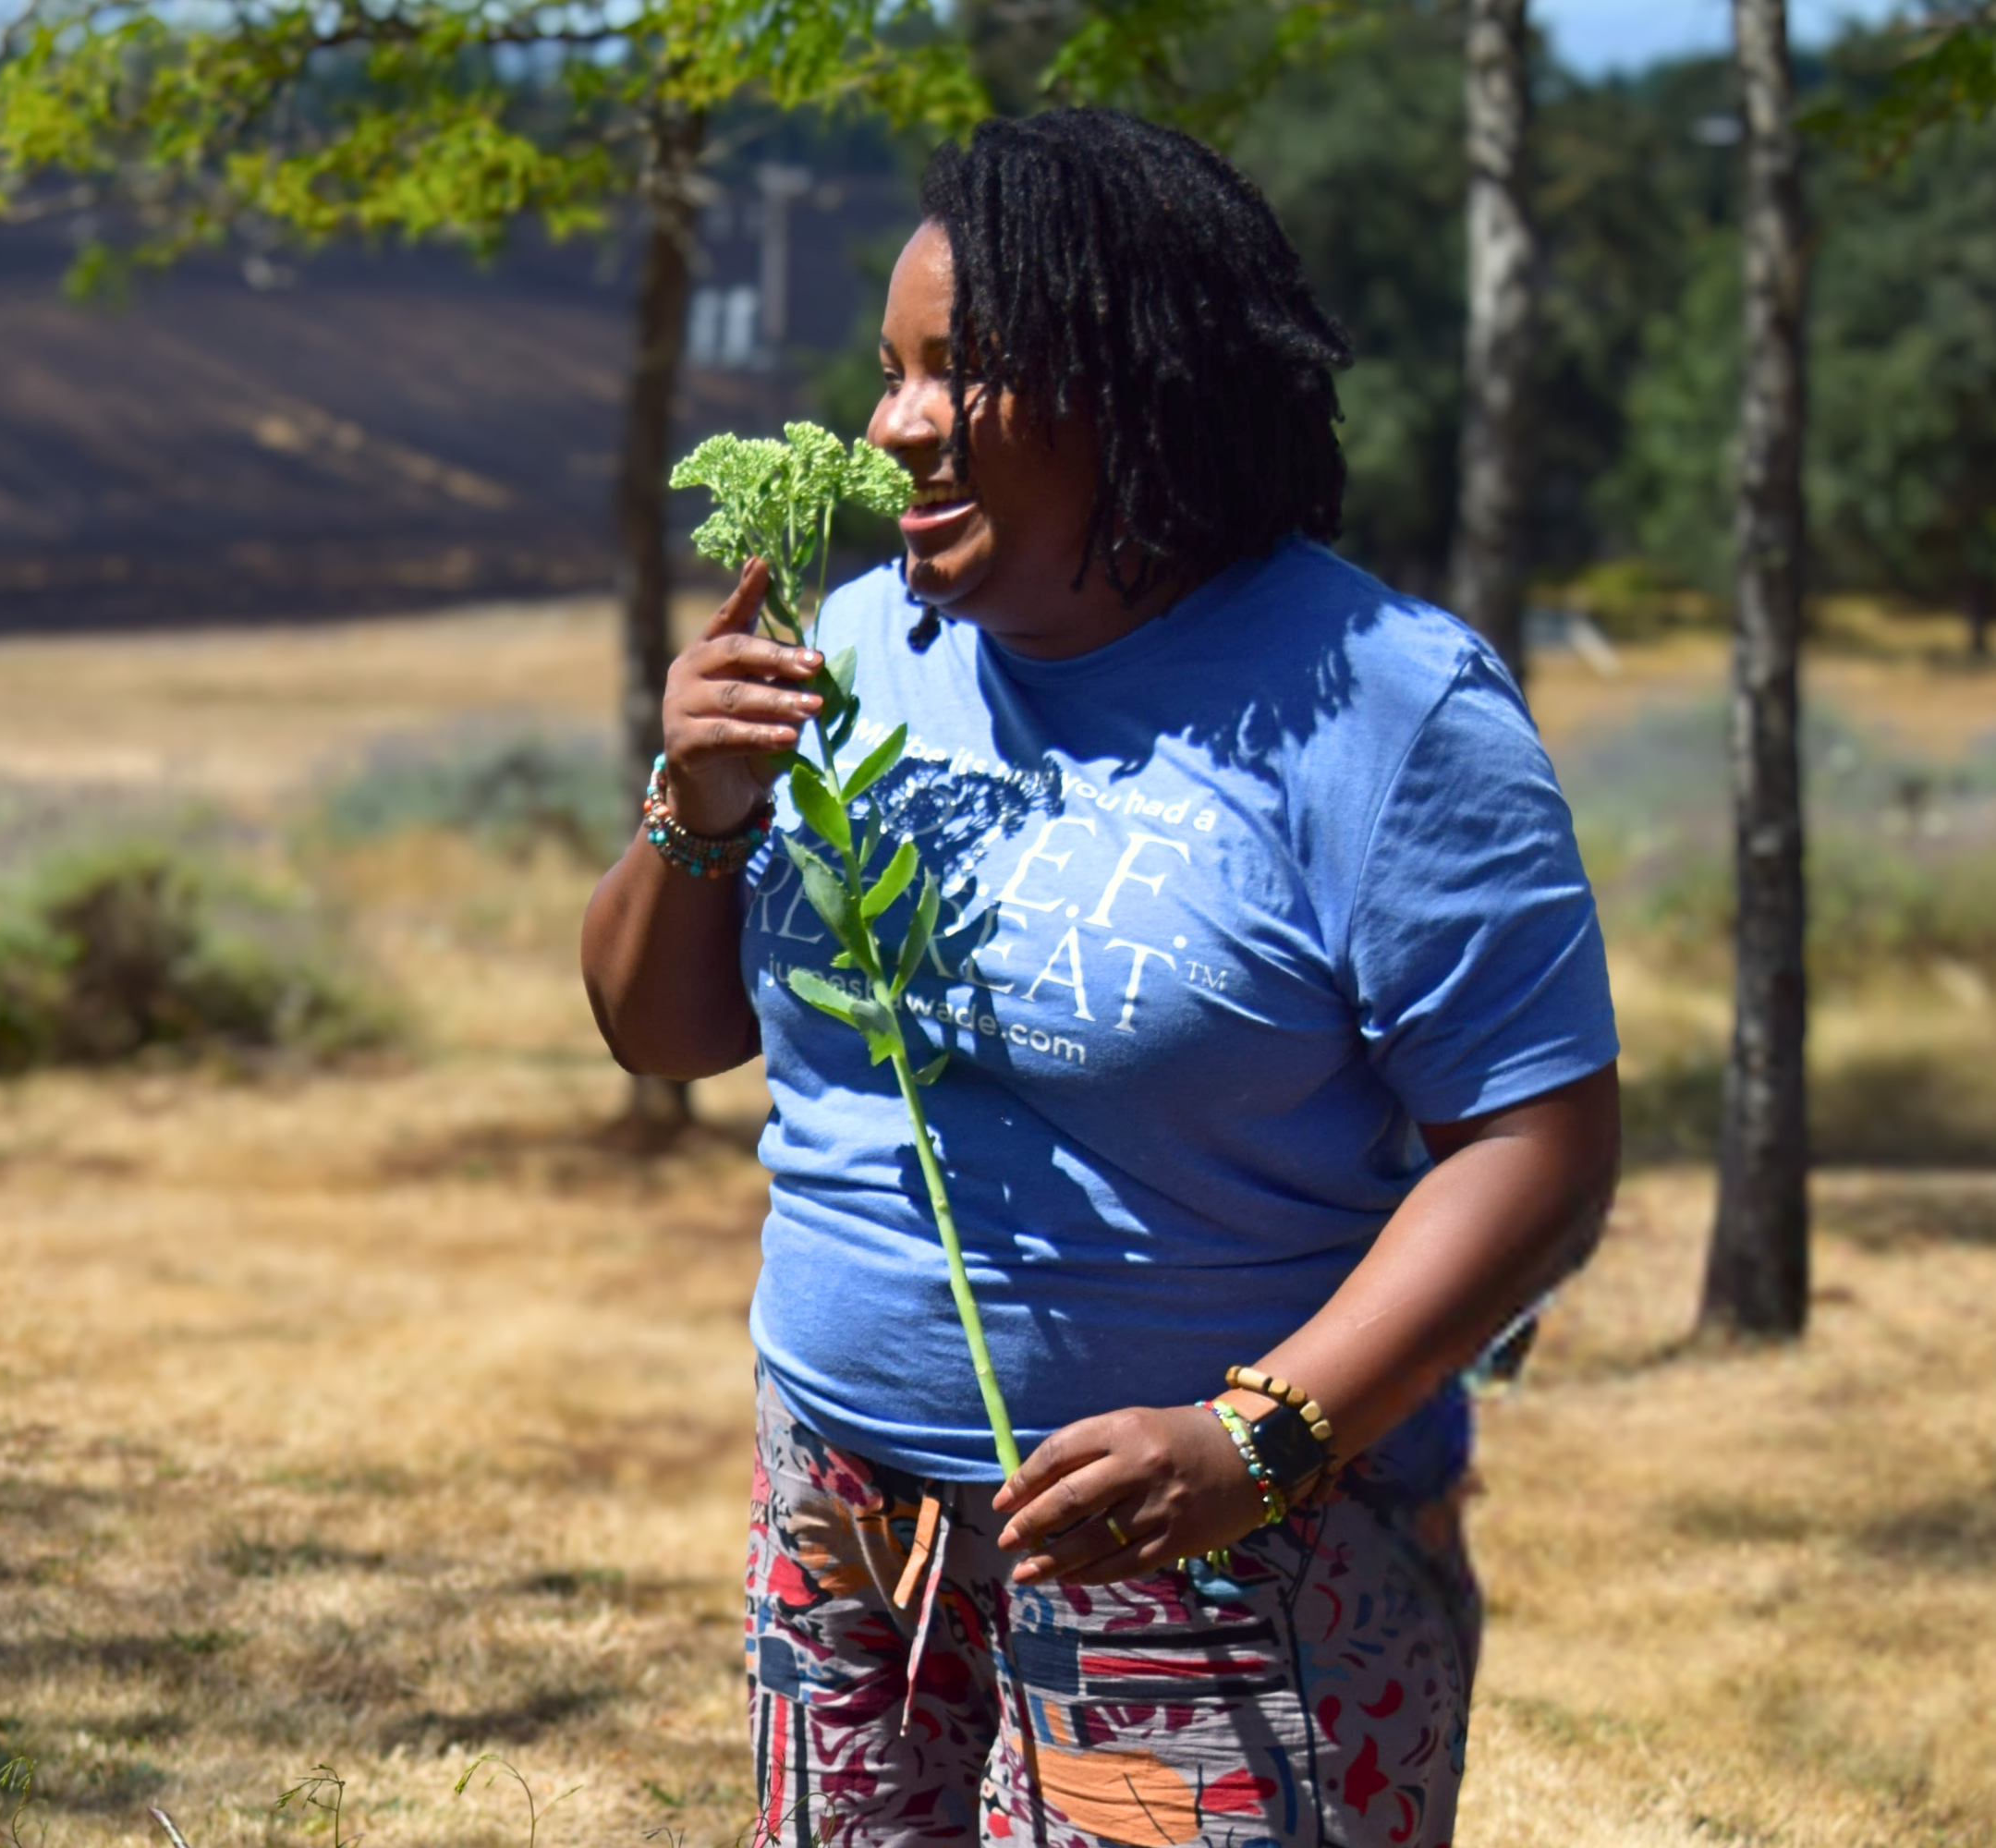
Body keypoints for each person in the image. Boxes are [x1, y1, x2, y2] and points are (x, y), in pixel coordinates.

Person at [581, 107, 1620, 1848]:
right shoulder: (851, 651)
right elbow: (663, 1031)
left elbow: (1537, 1148)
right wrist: (690, 807)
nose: (895, 427)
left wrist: (1253, 1442)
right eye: (891, 373)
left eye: (958, 375)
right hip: (851, 1521)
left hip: (1215, 1547)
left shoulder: (1386, 706)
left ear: (1139, 388)